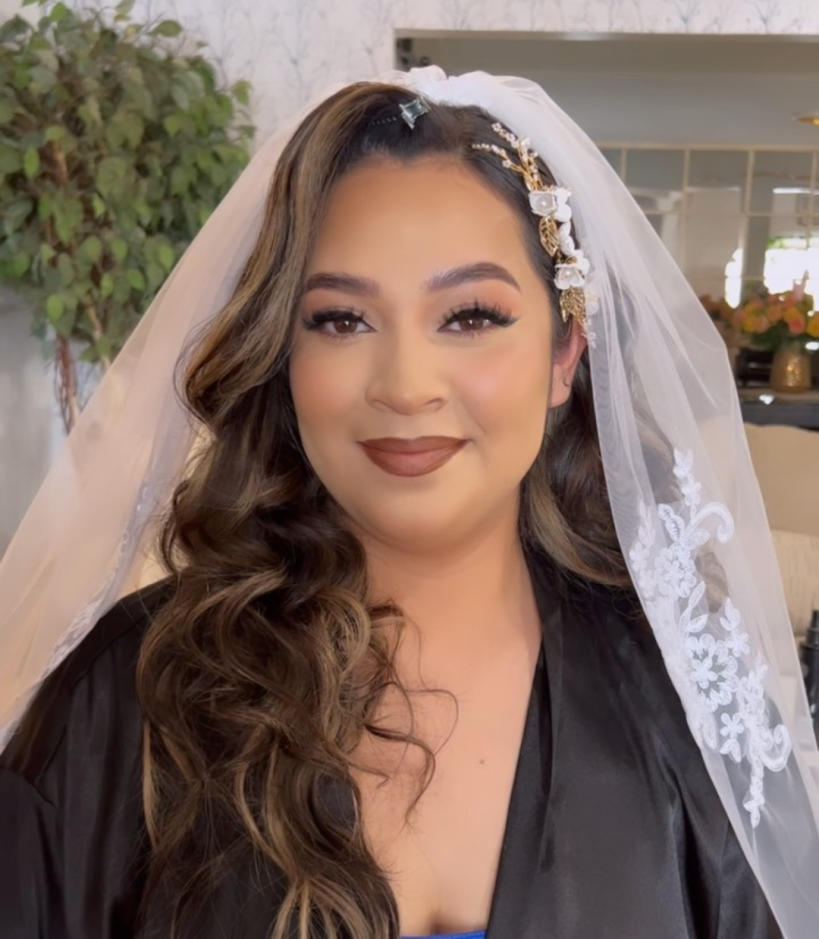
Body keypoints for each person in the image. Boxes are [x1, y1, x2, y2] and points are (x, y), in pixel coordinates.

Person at [0, 68, 816, 939]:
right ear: (283, 357)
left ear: (564, 354)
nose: (404, 386)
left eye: (469, 316)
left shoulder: (687, 706)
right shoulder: (124, 702)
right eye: (341, 320)